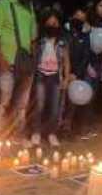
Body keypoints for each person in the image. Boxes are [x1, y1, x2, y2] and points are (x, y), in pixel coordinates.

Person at [0, 0, 39, 143]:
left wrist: (34, 57)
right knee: (3, 103)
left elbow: (33, 34)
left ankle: (19, 136)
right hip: (8, 63)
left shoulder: (30, 5)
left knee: (22, 105)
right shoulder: (3, 4)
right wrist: (0, 58)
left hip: (26, 63)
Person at [30, 9, 71, 147]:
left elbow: (66, 61)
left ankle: (51, 133)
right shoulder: (40, 41)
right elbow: (33, 56)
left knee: (55, 108)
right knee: (40, 105)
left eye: (55, 22)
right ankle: (36, 132)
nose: (53, 24)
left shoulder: (62, 42)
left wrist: (66, 78)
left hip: (55, 77)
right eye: (50, 21)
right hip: (41, 76)